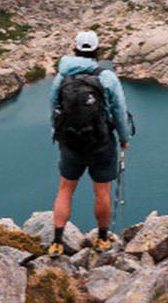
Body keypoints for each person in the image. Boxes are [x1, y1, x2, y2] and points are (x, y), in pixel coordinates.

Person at [50, 29, 133, 251]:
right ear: (97, 50)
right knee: (102, 191)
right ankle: (103, 238)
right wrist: (124, 139)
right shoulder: (107, 76)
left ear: (74, 49)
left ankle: (57, 241)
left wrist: (57, 134)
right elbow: (119, 111)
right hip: (101, 142)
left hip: (70, 143)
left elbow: (54, 108)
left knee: (65, 189)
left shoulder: (62, 76)